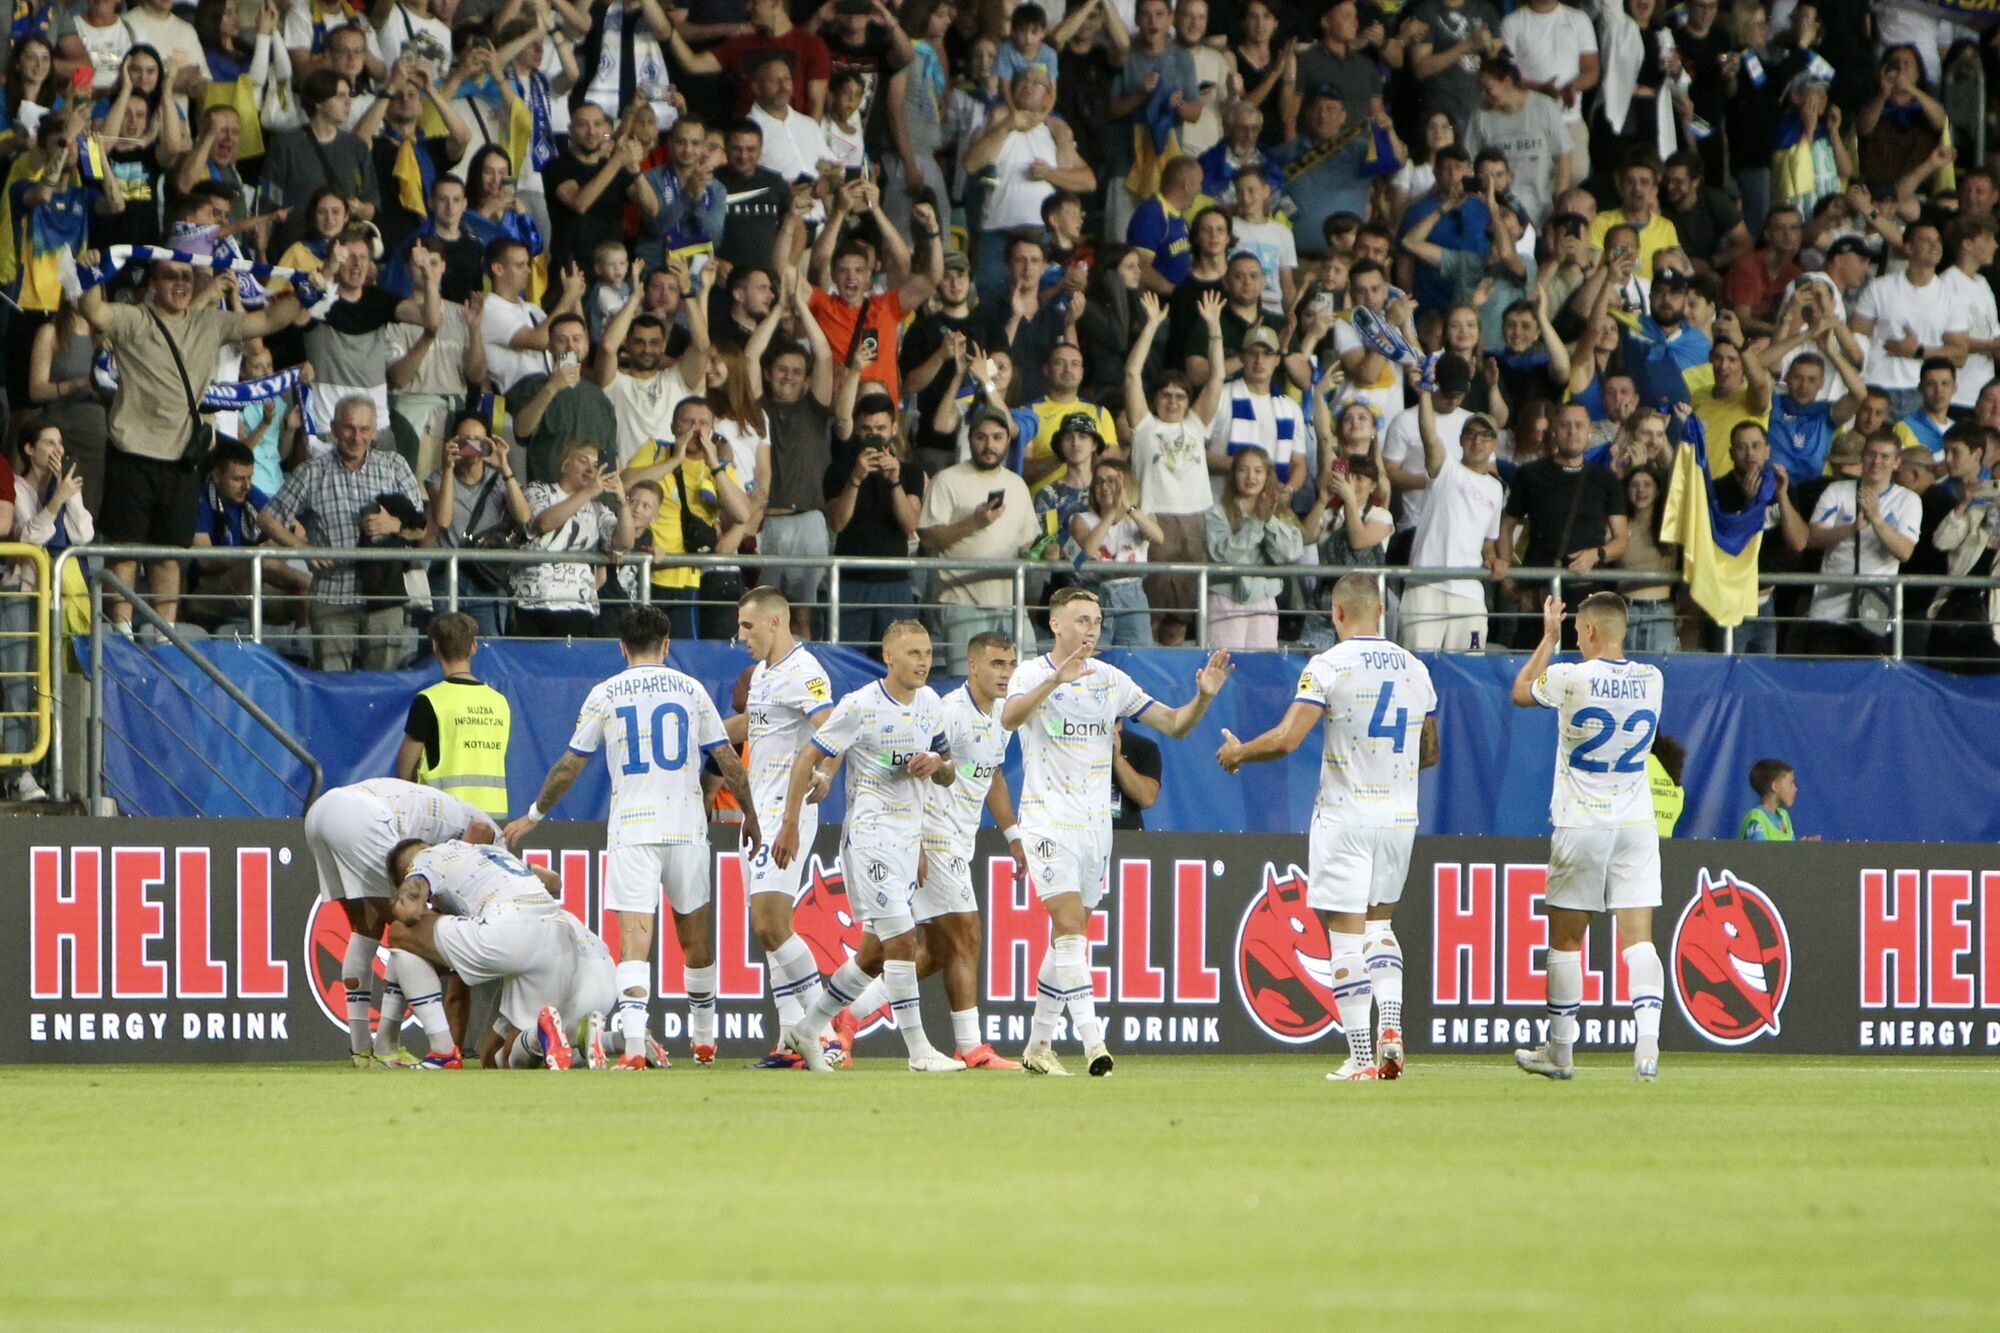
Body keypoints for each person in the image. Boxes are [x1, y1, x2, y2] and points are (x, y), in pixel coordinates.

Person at [504, 605, 758, 1069]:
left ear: (622, 647)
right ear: (666, 645)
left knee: (635, 941)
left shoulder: (606, 694)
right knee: (695, 939)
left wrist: (534, 814)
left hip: (635, 828)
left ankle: (636, 1048)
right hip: (686, 828)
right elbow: (728, 760)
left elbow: (570, 765)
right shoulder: (692, 690)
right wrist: (754, 820)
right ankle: (704, 1040)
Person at [1001, 586, 1233, 1075]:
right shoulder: (1031, 673)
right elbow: (1009, 717)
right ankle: (1094, 1044)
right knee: (1068, 929)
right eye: (1081, 619)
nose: (1091, 628)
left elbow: (1174, 725)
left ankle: (1038, 1046)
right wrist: (1054, 683)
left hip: (1094, 829)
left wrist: (1203, 699)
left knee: (1067, 937)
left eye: (1097, 619)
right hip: (1046, 820)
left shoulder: (1111, 680)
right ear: (1055, 624)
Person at [1217, 574, 1438, 1080]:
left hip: (1346, 814)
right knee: (1380, 927)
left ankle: (1361, 1056)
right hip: (1400, 817)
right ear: (1380, 610)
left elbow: (1287, 739)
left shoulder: (1330, 665)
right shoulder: (1416, 669)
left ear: (1337, 613)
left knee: (1345, 938)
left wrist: (1238, 753)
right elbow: (1429, 751)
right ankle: (1393, 1030)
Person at [771, 620, 964, 1074]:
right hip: (870, 837)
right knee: (902, 941)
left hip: (906, 841)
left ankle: (808, 1027)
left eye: (928, 653)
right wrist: (791, 822)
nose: (923, 662)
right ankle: (919, 1052)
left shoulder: (931, 705)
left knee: (875, 954)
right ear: (889, 656)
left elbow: (949, 772)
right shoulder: (860, 706)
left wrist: (937, 763)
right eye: (913, 653)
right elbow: (807, 758)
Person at [830, 632, 1027, 1070]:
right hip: (932, 836)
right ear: (973, 666)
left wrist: (1013, 833)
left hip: (959, 837)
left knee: (919, 950)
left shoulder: (1001, 717)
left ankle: (845, 1015)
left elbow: (990, 775)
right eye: (997, 664)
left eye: (1011, 664)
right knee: (969, 933)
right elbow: (920, 770)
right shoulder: (949, 711)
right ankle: (971, 1046)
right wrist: (915, 841)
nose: (1005, 673)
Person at [80, 255, 298, 629]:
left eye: (186, 277)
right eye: (170, 277)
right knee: (126, 554)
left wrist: (309, 294)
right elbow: (95, 312)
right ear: (152, 283)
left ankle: (165, 635)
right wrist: (91, 272)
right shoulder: (135, 318)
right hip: (133, 455)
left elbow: (269, 320)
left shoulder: (209, 322)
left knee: (169, 557)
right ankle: (121, 632)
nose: (179, 284)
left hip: (182, 460)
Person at [1510, 593, 1667, 1082]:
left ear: (1592, 632)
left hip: (1582, 822)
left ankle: (1560, 1053)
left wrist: (1548, 640)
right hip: (1636, 824)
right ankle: (1647, 1048)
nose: (1576, 637)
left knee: (1567, 939)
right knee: (1639, 940)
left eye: (1577, 630)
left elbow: (1519, 691)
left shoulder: (1568, 676)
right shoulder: (1653, 679)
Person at [300, 777, 498, 1067]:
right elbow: (476, 842)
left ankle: (361, 1049)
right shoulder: (489, 834)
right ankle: (388, 1044)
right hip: (362, 816)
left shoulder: (457, 813)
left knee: (365, 926)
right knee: (407, 930)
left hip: (321, 813)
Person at [380, 837, 616, 1071]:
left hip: (507, 928)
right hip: (556, 936)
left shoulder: (424, 859)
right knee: (496, 1058)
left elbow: (409, 911)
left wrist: (404, 905)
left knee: (401, 933)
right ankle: (587, 1038)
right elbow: (553, 882)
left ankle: (442, 1052)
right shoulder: (485, 851)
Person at [725, 586, 839, 1069]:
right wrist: (702, 734)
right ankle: (789, 1040)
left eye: (747, 626)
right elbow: (756, 725)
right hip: (760, 814)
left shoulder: (804, 671)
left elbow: (832, 724)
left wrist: (826, 774)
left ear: (775, 622)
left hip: (786, 813)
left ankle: (825, 1032)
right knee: (770, 935)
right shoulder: (764, 675)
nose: (740, 635)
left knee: (770, 924)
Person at [257, 396, 428, 672]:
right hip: (331, 597)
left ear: (374, 431)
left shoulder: (395, 466)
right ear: (334, 428)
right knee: (333, 688)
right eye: (349, 428)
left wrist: (394, 525)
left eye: (363, 429)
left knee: (383, 688)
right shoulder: (311, 473)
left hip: (384, 598)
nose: (356, 436)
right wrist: (302, 548)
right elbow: (267, 518)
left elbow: (422, 527)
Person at [918, 406, 1039, 672]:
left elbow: (1027, 544)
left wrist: (1048, 550)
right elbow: (928, 538)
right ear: (969, 439)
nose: (989, 445)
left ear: (1008, 441)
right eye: (981, 437)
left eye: (997, 437)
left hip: (1010, 606)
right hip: (962, 604)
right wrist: (974, 523)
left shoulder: (1017, 484)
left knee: (1026, 682)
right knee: (967, 686)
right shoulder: (946, 480)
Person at [1403, 388, 1506, 652]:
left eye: (1485, 436)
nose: (1477, 441)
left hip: (1469, 592)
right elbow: (1429, 435)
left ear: (1495, 444)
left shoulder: (1496, 489)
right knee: (1417, 667)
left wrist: (1495, 559)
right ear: (1461, 441)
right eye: (1471, 434)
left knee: (1468, 672)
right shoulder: (1446, 469)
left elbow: (1488, 543)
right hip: (1426, 586)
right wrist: (1425, 394)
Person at [1801, 434, 1920, 656]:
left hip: (1874, 613)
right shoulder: (1837, 491)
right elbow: (1812, 538)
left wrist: (1876, 520)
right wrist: (1853, 528)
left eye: (1885, 456)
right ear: (1862, 457)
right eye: (1871, 454)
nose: (1877, 461)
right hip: (1829, 611)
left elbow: (1904, 552)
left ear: (1897, 462)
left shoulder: (1909, 500)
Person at [422, 412, 529, 640]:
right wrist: (449, 468)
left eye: (478, 441)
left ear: (489, 443)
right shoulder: (438, 478)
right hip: (450, 574)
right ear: (453, 442)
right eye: (464, 441)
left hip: (487, 577)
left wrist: (505, 468)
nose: (472, 446)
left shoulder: (499, 479)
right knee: (444, 644)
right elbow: (442, 520)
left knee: (488, 646)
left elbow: (523, 516)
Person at [395, 611, 512, 819]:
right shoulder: (499, 702)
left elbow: (405, 767)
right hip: (493, 818)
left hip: (443, 816)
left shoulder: (429, 700)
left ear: (435, 646)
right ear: (473, 647)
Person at [516, 440, 637, 639]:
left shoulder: (598, 509)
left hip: (577, 605)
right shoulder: (540, 490)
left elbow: (624, 542)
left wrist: (622, 500)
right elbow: (543, 523)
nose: (591, 469)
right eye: (583, 461)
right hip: (532, 601)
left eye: (596, 465)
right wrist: (588, 492)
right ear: (564, 465)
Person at [1204, 446, 1303, 650]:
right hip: (1225, 599)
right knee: (1225, 665)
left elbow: (1290, 553)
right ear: (1234, 475)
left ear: (1267, 476)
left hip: (1264, 600)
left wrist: (1269, 521)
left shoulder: (1281, 513)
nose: (1251, 477)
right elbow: (1224, 555)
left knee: (1262, 668)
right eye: (1243, 470)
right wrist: (1256, 521)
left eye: (1258, 471)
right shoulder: (1217, 513)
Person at [1739, 758, 1804, 840]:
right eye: (1791, 783)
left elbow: (1790, 851)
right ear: (1775, 786)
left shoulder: (1784, 816)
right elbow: (1756, 852)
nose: (1795, 789)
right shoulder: (1756, 819)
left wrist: (1802, 848)